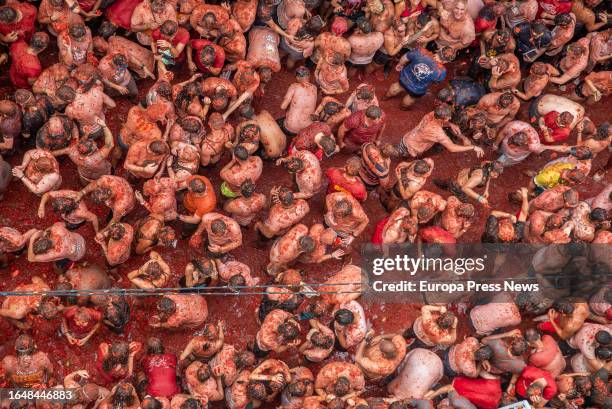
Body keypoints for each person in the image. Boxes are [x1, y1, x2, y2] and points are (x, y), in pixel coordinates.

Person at [390, 104, 485, 158]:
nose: (451, 118)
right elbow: (452, 148)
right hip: (412, 147)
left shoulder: (432, 114)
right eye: (448, 118)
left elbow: (440, 122)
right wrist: (473, 147)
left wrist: (450, 124)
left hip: (408, 138)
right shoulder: (437, 132)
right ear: (441, 119)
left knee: (400, 149)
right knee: (402, 155)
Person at [279, 66, 317, 136]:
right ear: (309, 76)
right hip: (306, 127)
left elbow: (283, 106)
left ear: (297, 78)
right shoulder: (315, 88)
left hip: (291, 126)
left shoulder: (294, 86)